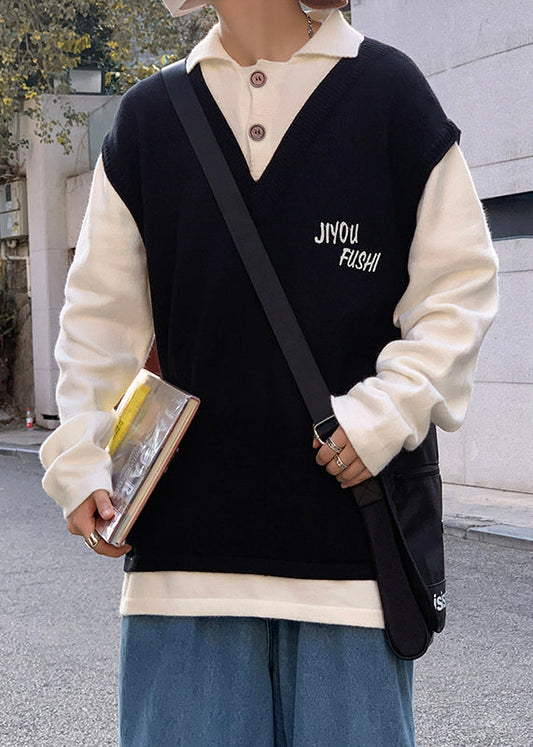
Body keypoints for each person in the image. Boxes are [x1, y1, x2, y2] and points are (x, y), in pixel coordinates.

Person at [39, 1, 499, 744]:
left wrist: (384, 413)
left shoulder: (389, 95)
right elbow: (98, 319)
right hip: (182, 570)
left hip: (348, 570)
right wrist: (83, 457)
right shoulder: (150, 119)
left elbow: (459, 289)